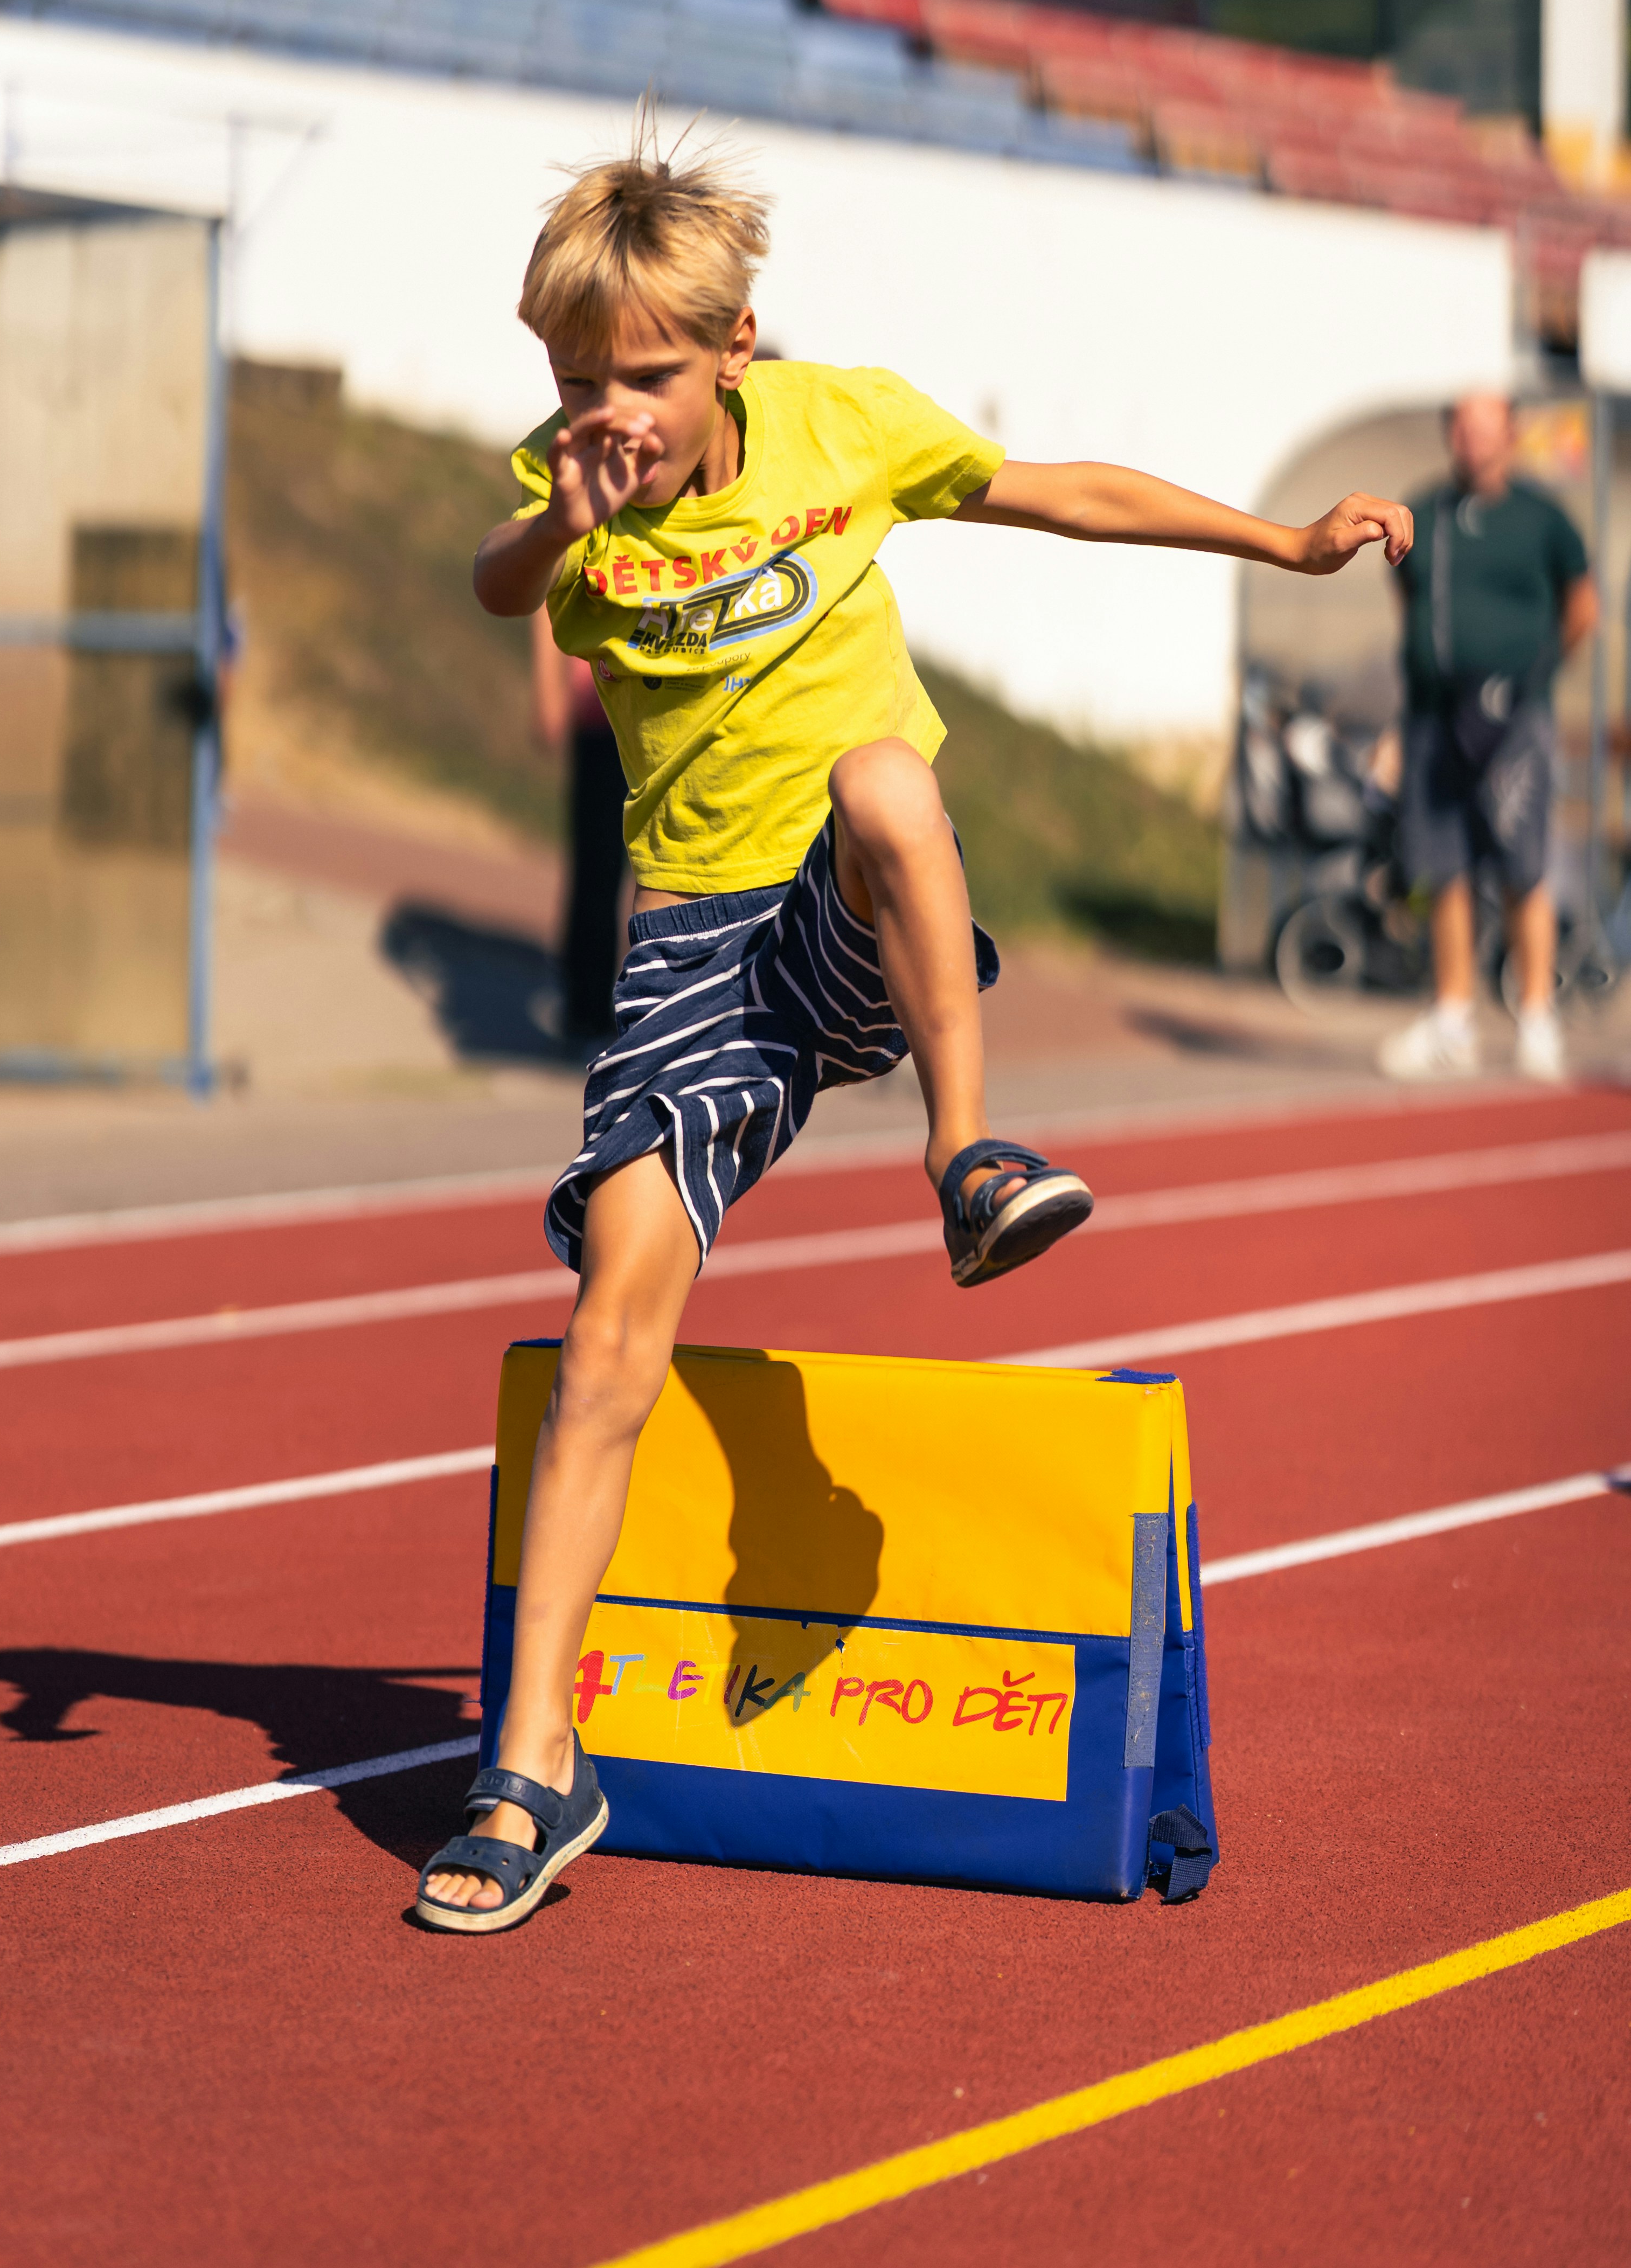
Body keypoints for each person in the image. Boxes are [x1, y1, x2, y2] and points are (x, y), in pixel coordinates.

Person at [415, 133, 1413, 1931]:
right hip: (687, 957)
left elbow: (1064, 499)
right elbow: (493, 588)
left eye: (642, 376)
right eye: (577, 383)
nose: (609, 412)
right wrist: (553, 524)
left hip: (854, 905)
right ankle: (531, 1761)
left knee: (886, 772)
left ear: (732, 347)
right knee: (608, 1329)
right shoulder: (570, 496)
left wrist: (1285, 539)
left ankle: (966, 1156)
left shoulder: (842, 429)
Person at [1380, 393, 1597, 1085]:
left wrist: (1531, 676)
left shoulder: (1543, 519)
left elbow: (1583, 603)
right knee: (1444, 863)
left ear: (1509, 434)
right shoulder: (1427, 513)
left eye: (1487, 427)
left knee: (1521, 861)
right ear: (1452, 434)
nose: (1475, 440)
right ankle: (1454, 1018)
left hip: (1515, 721)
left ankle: (1537, 1016)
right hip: (1437, 716)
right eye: (1464, 427)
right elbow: (1408, 601)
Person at [531, 610, 629, 1042]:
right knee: (597, 866)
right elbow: (549, 585)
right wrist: (547, 687)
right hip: (602, 706)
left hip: (683, 707)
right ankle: (586, 1007)